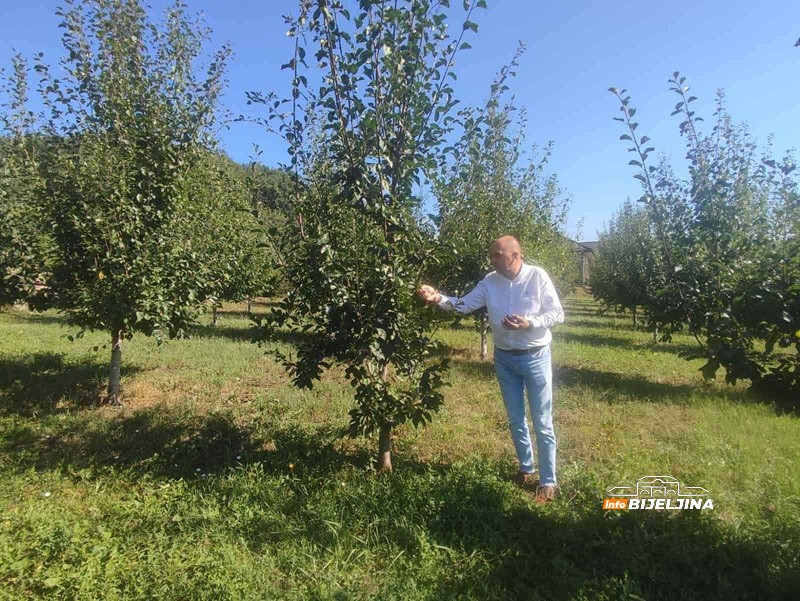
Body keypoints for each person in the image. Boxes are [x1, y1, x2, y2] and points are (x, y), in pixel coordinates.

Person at [417, 236, 565, 504]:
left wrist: (529, 323)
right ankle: (526, 468)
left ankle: (547, 482)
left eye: (497, 255)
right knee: (515, 418)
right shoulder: (489, 282)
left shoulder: (537, 277)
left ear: (515, 256)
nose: (492, 259)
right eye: (492, 255)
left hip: (535, 357)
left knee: (542, 422)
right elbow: (463, 305)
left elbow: (557, 313)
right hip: (505, 359)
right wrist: (436, 297)